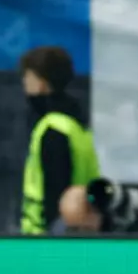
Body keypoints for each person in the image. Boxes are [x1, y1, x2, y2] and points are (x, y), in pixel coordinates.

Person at [19, 46, 100, 235]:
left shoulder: (53, 129)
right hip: (77, 230)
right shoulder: (78, 126)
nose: (24, 82)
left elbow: (56, 194)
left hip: (44, 237)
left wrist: (53, 238)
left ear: (41, 82)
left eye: (28, 76)